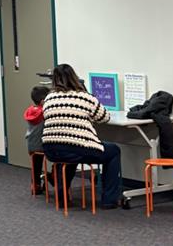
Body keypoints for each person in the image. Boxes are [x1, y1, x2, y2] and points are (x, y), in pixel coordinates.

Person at [42, 64, 122, 209]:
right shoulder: (85, 97)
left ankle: (62, 198)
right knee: (113, 151)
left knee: (66, 156)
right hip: (76, 148)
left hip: (51, 148)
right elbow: (104, 117)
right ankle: (109, 200)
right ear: (75, 78)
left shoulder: (49, 98)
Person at [24, 86, 51, 194]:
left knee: (36, 166)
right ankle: (51, 178)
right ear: (43, 101)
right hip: (42, 144)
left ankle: (35, 185)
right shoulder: (45, 112)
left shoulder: (30, 110)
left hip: (31, 143)